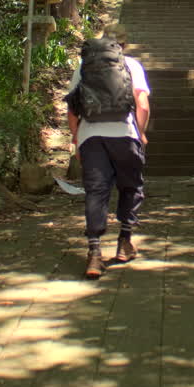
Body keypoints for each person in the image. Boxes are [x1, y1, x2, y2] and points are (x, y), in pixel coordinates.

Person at [66, 23, 150, 280]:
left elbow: (72, 108)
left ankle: (94, 254)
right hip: (124, 134)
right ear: (124, 44)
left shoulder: (84, 66)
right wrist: (142, 132)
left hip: (92, 136)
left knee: (96, 191)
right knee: (130, 186)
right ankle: (124, 242)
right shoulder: (132, 65)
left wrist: (77, 139)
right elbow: (142, 104)